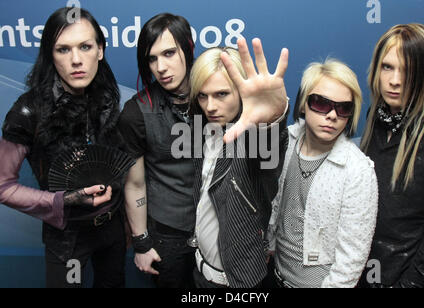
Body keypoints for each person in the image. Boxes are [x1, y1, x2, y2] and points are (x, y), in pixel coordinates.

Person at [0, 7, 127, 287]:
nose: (76, 60)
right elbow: (3, 186)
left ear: (101, 50)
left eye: (85, 46)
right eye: (63, 49)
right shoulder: (27, 111)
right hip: (67, 238)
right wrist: (63, 200)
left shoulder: (107, 97)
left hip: (113, 231)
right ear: (50, 55)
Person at [267, 59, 379, 288]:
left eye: (344, 108)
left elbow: (351, 261)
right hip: (274, 276)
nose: (332, 115)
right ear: (303, 104)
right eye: (320, 103)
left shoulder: (357, 171)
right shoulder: (284, 142)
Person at [188, 38, 289, 288]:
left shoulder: (253, 140)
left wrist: (272, 119)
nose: (210, 106)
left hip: (237, 283)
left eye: (221, 94)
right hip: (200, 273)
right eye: (203, 96)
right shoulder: (203, 131)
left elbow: (268, 154)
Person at [358, 23, 424, 288]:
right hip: (358, 271)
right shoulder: (376, 116)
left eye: (408, 71)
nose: (395, 80)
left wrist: (408, 285)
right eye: (387, 67)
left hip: (400, 278)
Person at [118, 13, 196, 288]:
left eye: (169, 53)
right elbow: (135, 183)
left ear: (189, 47)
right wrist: (140, 242)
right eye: (152, 59)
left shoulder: (219, 96)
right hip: (168, 234)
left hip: (217, 230)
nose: (161, 67)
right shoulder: (135, 113)